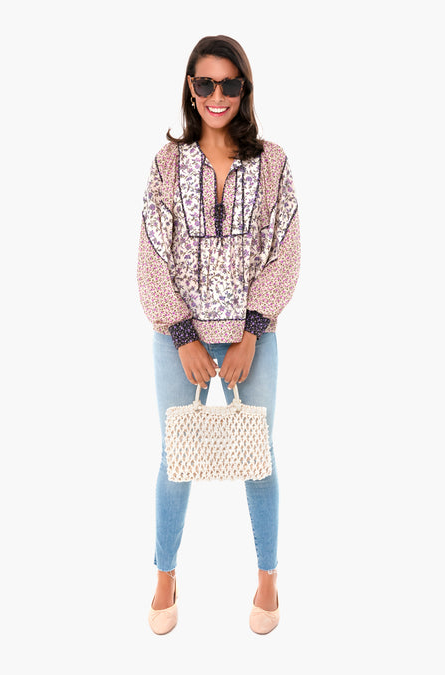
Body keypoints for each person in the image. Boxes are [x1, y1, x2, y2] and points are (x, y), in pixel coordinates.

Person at [137, 34, 301, 635]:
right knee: (174, 458)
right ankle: (165, 575)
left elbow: (286, 251)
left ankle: (267, 578)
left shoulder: (273, 162)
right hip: (176, 335)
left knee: (259, 458)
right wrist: (182, 335)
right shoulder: (167, 163)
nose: (217, 95)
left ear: (243, 90)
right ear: (190, 88)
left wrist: (252, 331)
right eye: (205, 82)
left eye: (229, 83)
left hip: (251, 337)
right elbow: (150, 253)